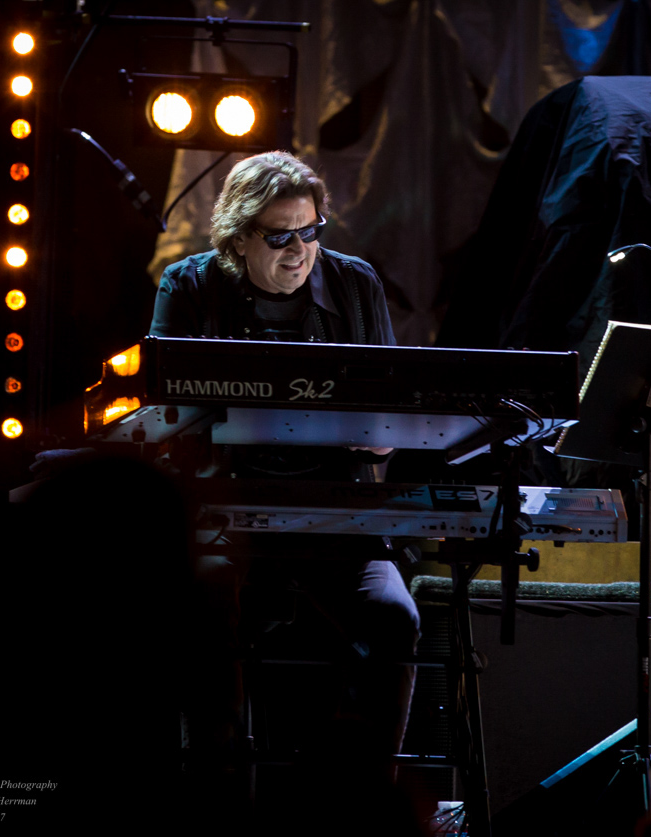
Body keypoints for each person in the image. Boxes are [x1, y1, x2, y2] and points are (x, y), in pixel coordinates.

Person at [153, 152, 420, 781]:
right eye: (278, 237)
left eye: (310, 231)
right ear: (238, 238)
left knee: (393, 616)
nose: (299, 251)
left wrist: (381, 434)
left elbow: (385, 429)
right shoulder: (188, 284)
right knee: (207, 603)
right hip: (222, 514)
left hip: (340, 516)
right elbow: (165, 416)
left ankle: (365, 805)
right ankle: (219, 801)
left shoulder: (356, 285)